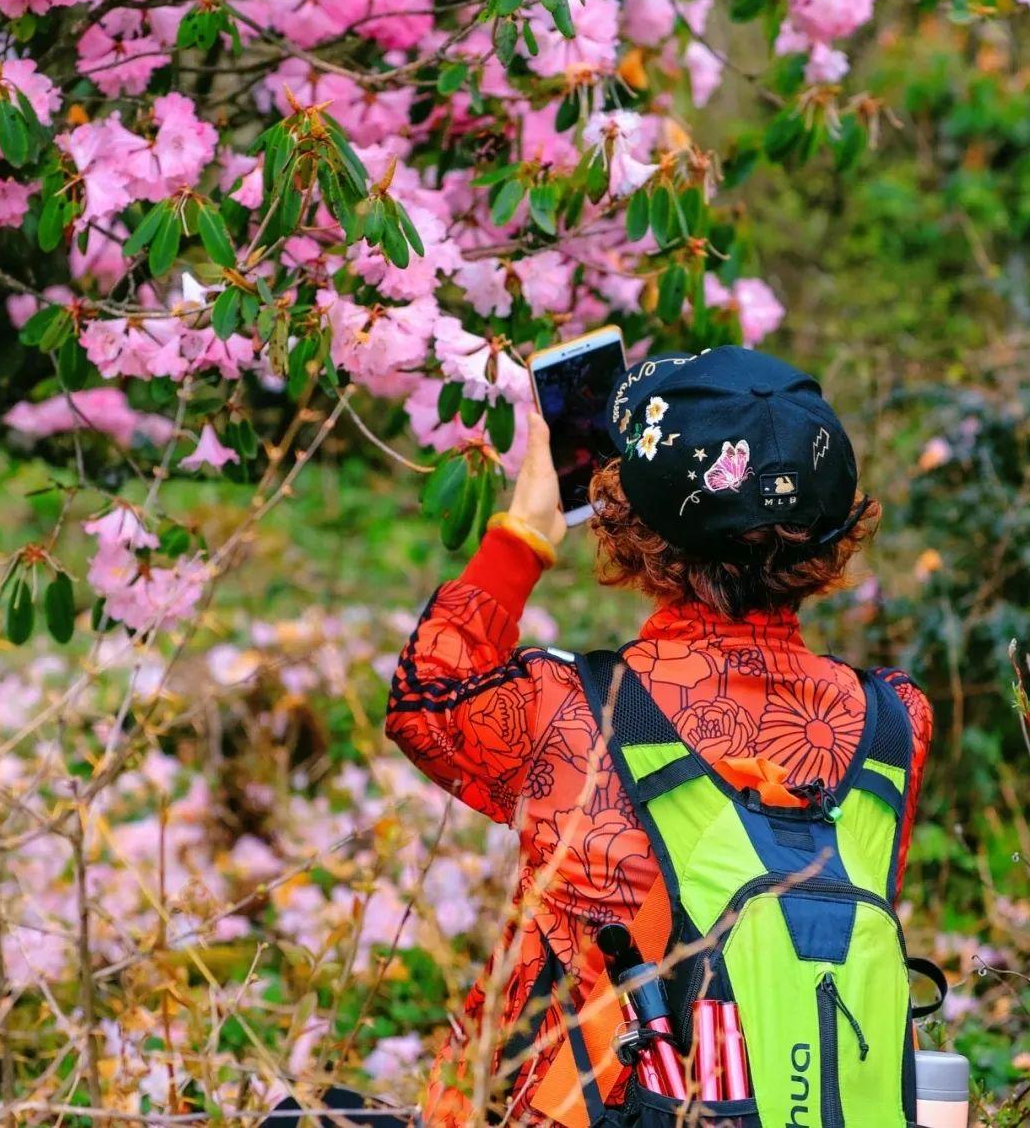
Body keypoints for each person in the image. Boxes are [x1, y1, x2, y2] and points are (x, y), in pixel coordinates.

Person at [387, 346, 933, 1126]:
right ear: (833, 532)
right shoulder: (893, 722)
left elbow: (425, 698)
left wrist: (525, 533)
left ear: (629, 523)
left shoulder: (567, 709)